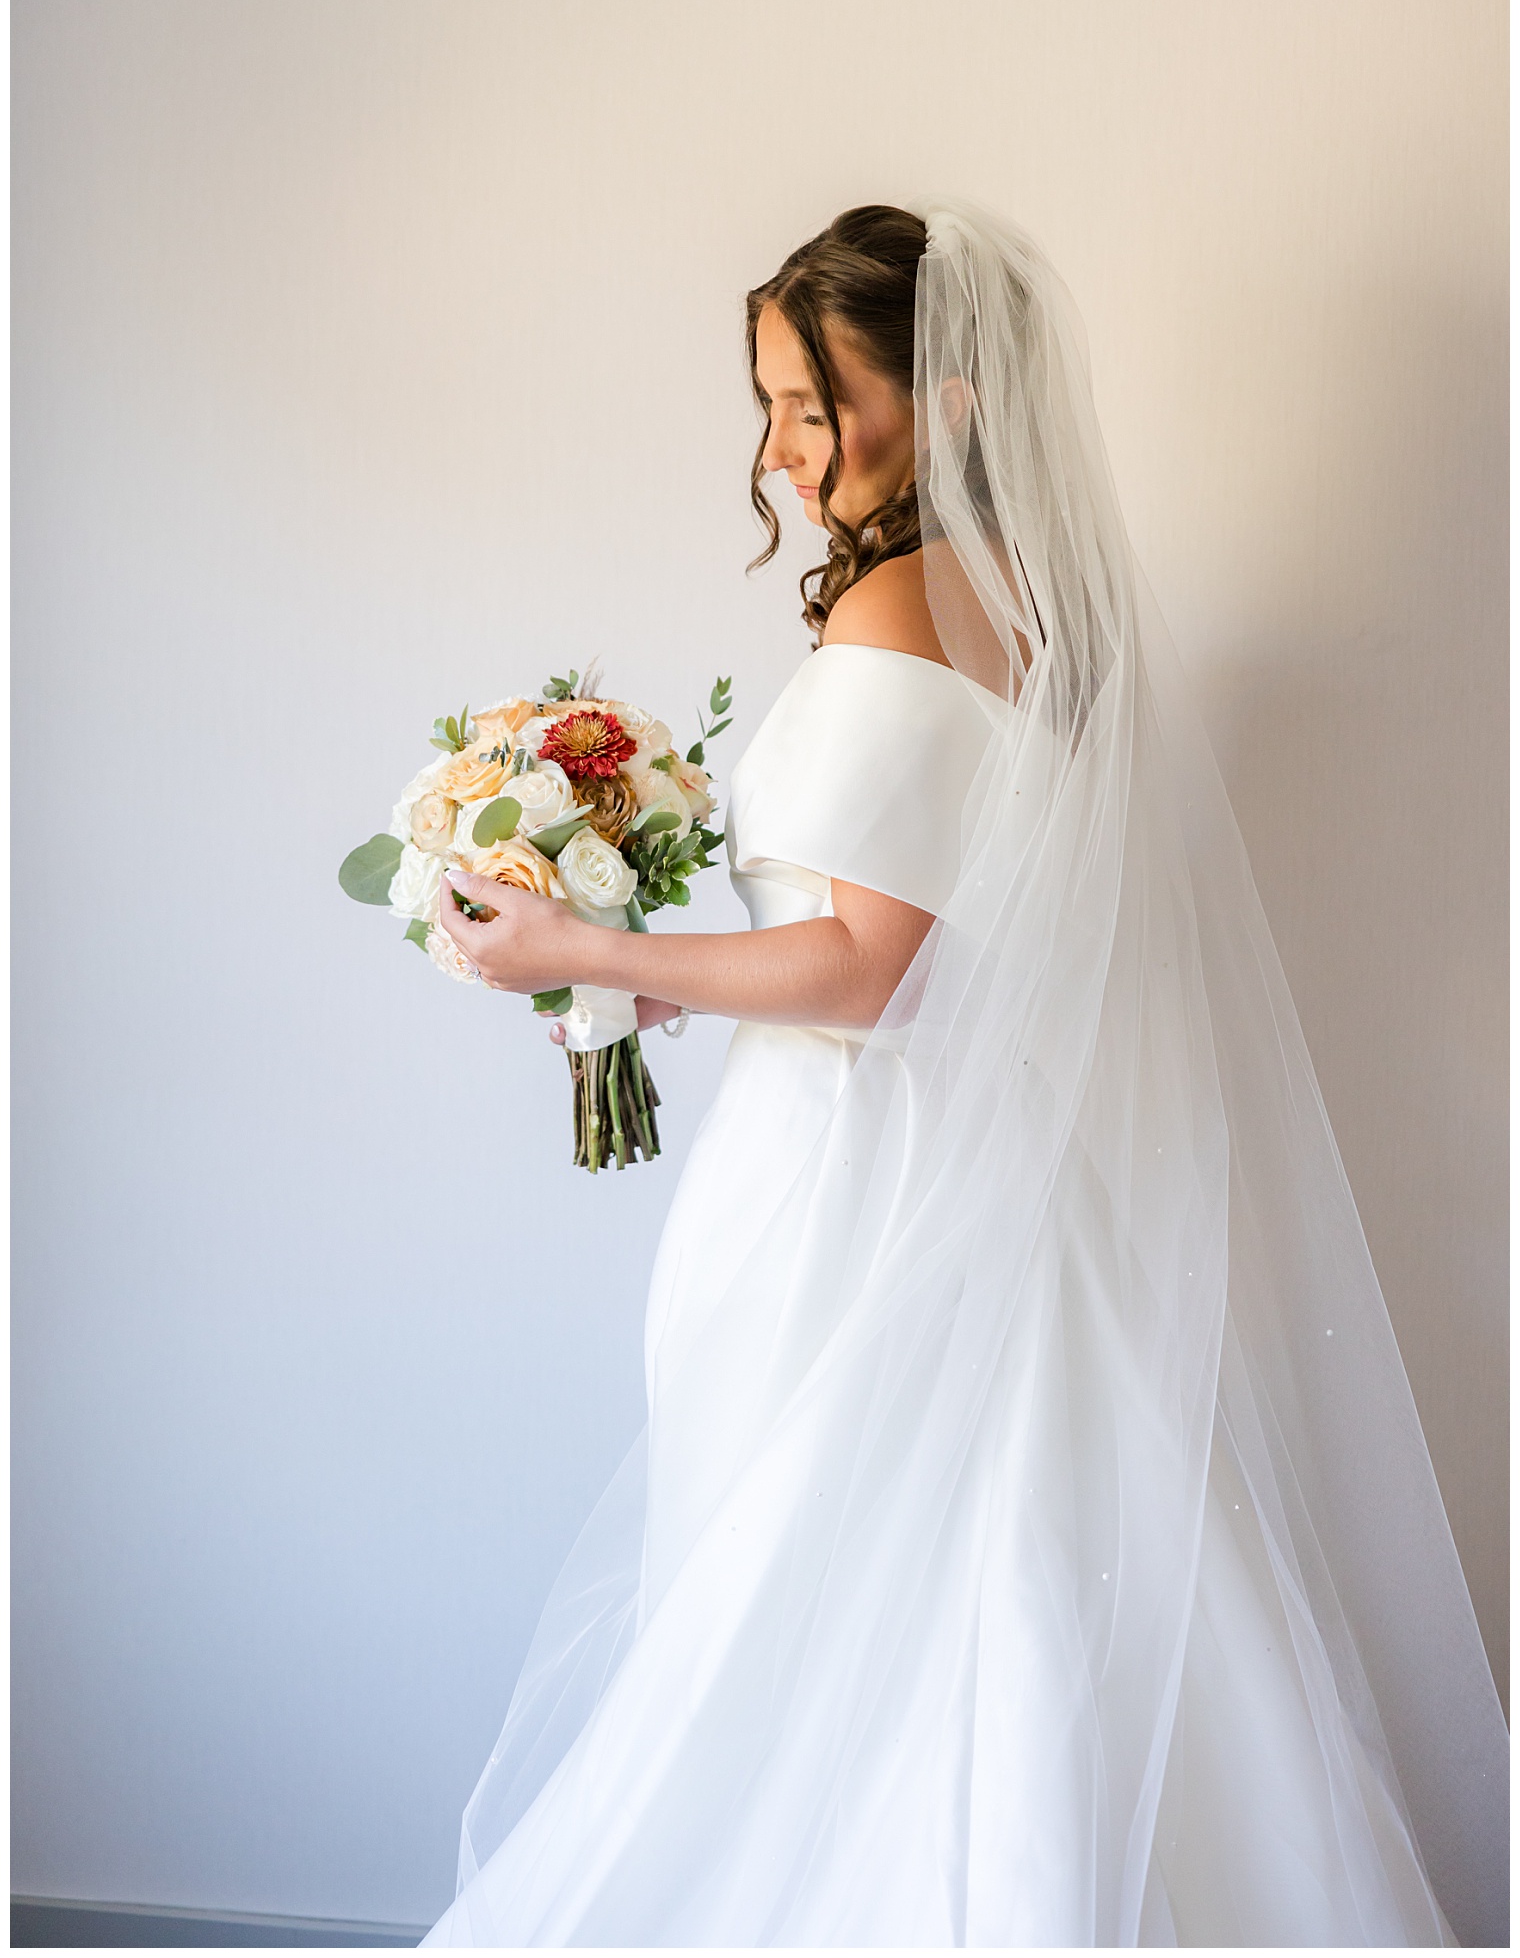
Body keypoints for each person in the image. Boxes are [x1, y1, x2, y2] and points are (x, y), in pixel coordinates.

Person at [423, 204, 1507, 1947]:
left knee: (851, 1613)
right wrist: (681, 979)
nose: (777, 451)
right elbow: (925, 941)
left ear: (946, 396)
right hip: (967, 1177)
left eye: (811, 402)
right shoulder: (1012, 600)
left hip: (871, 1202)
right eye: (768, 405)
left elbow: (877, 970)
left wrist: (590, 954)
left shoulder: (896, 620)